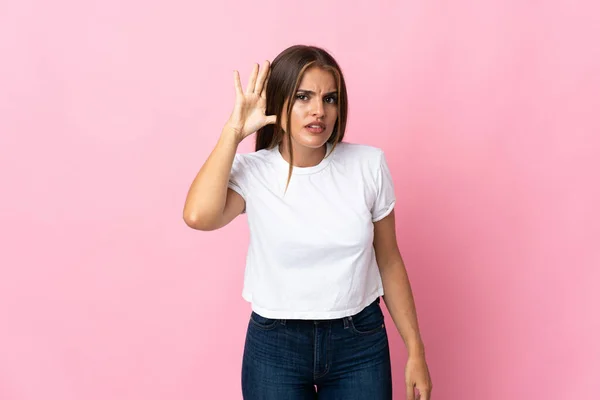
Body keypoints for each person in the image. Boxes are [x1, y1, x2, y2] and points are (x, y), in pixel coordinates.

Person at [183, 45, 432, 400]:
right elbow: (198, 216)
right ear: (279, 102)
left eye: (330, 99)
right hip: (275, 346)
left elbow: (389, 259)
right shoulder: (254, 172)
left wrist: (416, 351)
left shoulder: (368, 166)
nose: (319, 111)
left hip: (358, 342)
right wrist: (233, 130)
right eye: (303, 97)